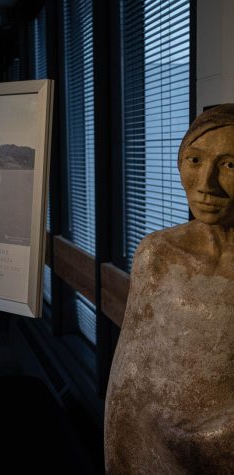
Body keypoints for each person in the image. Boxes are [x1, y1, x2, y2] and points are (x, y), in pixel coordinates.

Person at [104, 104, 234, 474]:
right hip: (158, 442)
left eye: (229, 165)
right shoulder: (158, 253)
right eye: (195, 160)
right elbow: (130, 371)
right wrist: (120, 453)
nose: (206, 183)